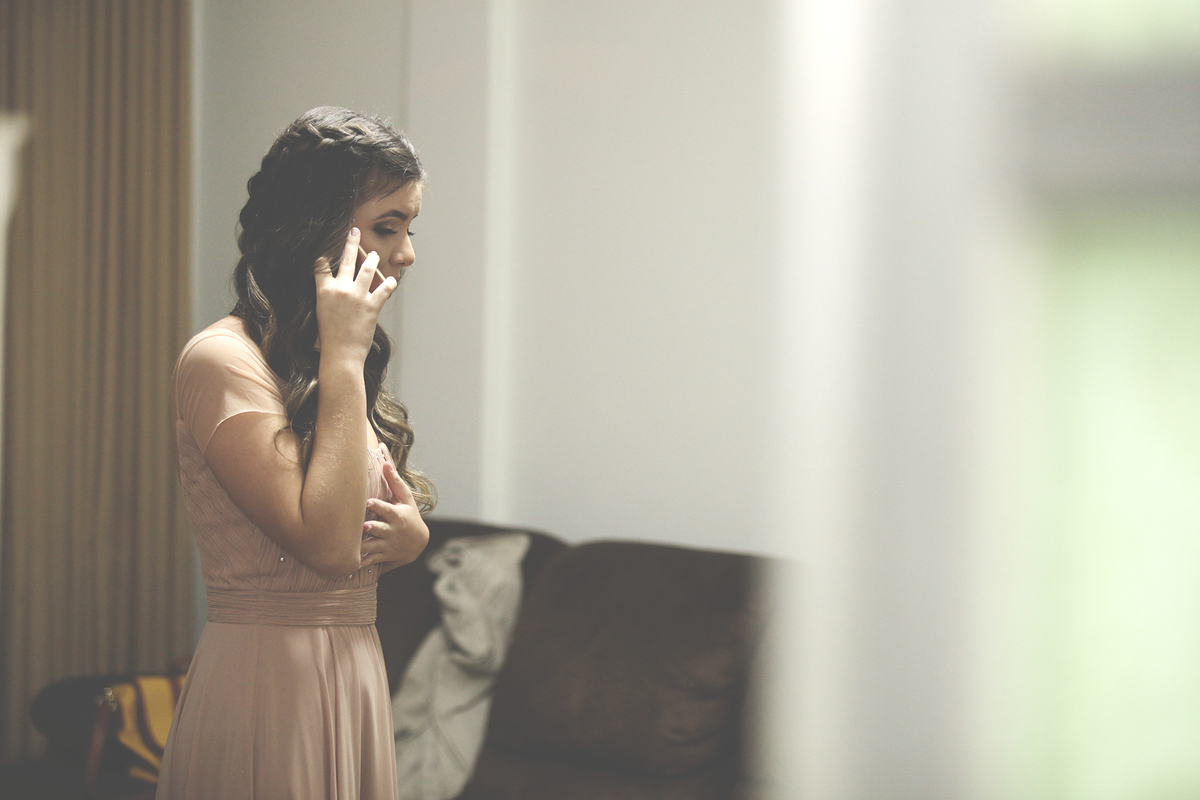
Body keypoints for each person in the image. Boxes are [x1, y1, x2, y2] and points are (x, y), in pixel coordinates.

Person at [157, 107, 434, 800]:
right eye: (388, 226)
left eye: (410, 228)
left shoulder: (322, 362)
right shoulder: (221, 360)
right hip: (268, 682)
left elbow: (359, 520)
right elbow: (329, 545)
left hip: (355, 666)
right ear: (317, 227)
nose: (406, 253)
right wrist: (344, 357)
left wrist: (413, 537)